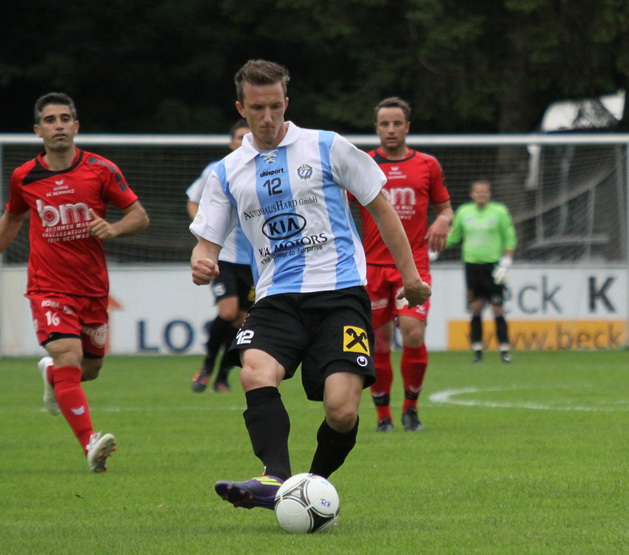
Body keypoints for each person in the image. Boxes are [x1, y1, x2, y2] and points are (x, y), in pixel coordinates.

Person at [190, 60, 430, 510]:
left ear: (287, 102)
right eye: (257, 108)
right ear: (241, 108)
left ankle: (310, 488)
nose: (267, 117)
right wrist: (202, 263)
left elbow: (381, 207)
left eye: (275, 107)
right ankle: (274, 477)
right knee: (253, 371)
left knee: (342, 410)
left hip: (340, 294)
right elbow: (206, 243)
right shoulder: (226, 172)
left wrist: (411, 277)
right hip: (276, 297)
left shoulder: (327, 146)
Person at [0, 92, 150, 472]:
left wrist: (114, 228)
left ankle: (52, 375)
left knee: (89, 369)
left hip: (92, 288)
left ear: (76, 126)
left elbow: (139, 215)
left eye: (65, 118)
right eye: (50, 120)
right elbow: (13, 219)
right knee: (69, 355)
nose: (59, 125)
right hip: (48, 287)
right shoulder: (24, 177)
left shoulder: (101, 170)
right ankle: (90, 444)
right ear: (38, 130)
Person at [353, 96, 452, 433]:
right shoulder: (363, 164)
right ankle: (383, 416)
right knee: (379, 343)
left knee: (412, 332)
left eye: (397, 123)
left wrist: (442, 221)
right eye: (385, 124)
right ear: (376, 128)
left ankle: (411, 409)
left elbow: (445, 208)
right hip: (373, 267)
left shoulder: (427, 164)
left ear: (407, 127)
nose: (391, 129)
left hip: (414, 265)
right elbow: (339, 206)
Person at [186, 119, 253, 393]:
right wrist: (206, 233)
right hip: (225, 255)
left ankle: (223, 375)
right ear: (231, 143)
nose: (244, 142)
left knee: (242, 321)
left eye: (248, 137)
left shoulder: (267, 169)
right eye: (239, 137)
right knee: (228, 311)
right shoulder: (218, 170)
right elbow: (193, 200)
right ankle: (207, 365)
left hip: (256, 261)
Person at [447, 179, 517, 363]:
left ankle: (504, 350)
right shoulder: (464, 212)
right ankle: (477, 351)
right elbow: (454, 236)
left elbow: (509, 236)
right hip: (472, 266)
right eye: (478, 191)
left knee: (498, 308)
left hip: (493, 266)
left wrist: (507, 260)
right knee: (476, 307)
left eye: (484, 191)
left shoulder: (499, 211)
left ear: (489, 193)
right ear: (472, 194)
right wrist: (435, 246)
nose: (481, 194)